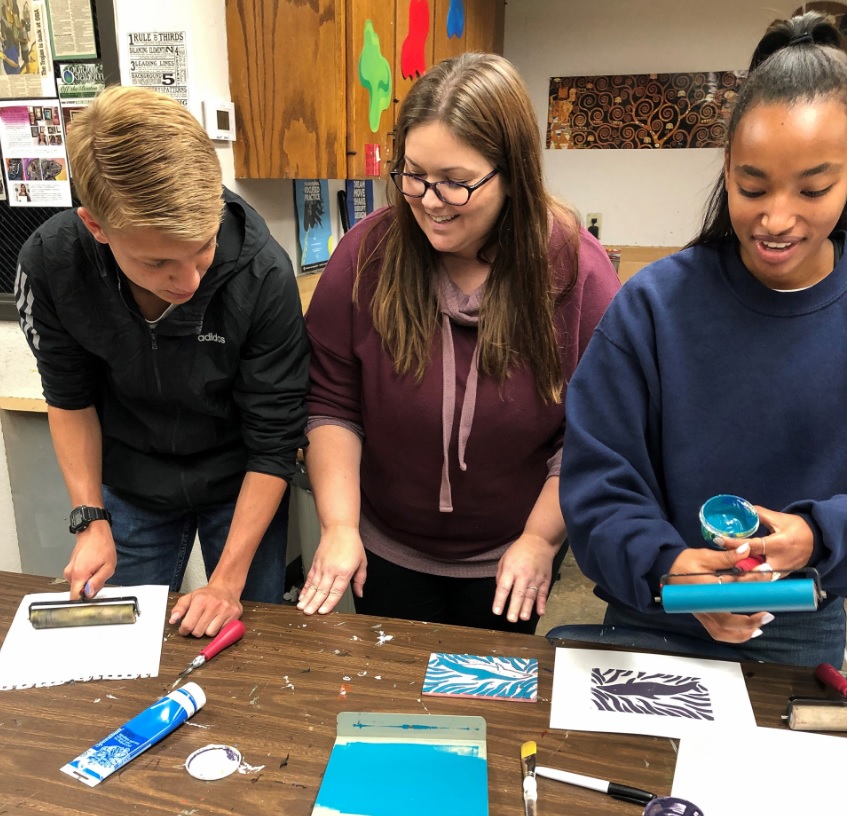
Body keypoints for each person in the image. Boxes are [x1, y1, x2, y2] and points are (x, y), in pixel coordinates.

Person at [559, 12, 847, 667]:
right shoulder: (653, 306)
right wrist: (667, 566)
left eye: (813, 188)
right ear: (725, 169)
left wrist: (818, 536)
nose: (775, 217)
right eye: (751, 187)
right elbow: (596, 487)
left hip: (800, 624)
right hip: (651, 613)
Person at [299, 53, 620, 632]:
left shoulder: (578, 272)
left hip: (511, 555)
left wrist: (541, 540)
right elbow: (332, 403)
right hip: (385, 545)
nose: (427, 198)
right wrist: (340, 526)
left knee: (486, 711)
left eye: (455, 182)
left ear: (512, 173)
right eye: (414, 173)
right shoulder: (365, 256)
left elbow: (592, 434)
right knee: (397, 708)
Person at [15, 86, 309, 637]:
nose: (190, 281)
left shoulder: (263, 273)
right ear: (96, 228)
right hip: (129, 481)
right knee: (120, 643)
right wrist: (90, 517)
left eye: (203, 247)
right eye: (158, 262)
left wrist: (226, 582)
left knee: (244, 631)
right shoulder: (51, 267)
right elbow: (69, 397)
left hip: (238, 478)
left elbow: (275, 441)